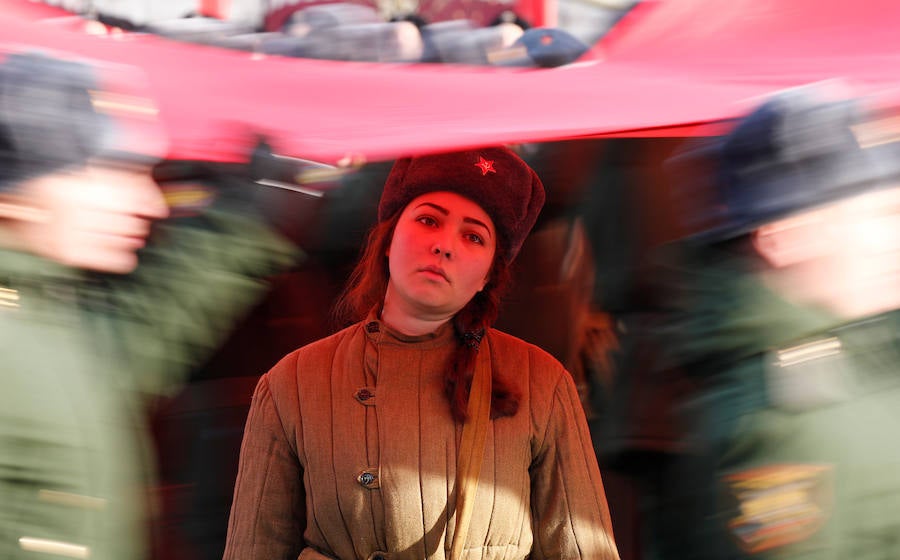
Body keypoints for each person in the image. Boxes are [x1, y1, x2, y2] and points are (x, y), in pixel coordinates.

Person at [223, 147, 620, 560]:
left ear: (487, 275)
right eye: (429, 220)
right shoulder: (292, 382)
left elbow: (583, 549)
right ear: (389, 241)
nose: (444, 246)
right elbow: (254, 548)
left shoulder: (541, 381)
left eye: (473, 236)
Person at [0, 50, 299, 559]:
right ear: (17, 189)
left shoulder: (46, 312)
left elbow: (143, 331)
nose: (150, 202)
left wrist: (251, 212)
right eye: (109, 169)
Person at [648, 86, 900, 559]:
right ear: (782, 238)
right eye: (879, 214)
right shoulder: (779, 423)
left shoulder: (872, 357)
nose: (895, 239)